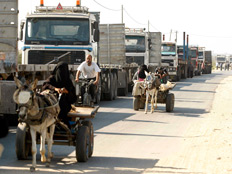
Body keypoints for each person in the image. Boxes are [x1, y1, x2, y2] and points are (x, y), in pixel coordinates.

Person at [42, 61, 77, 128]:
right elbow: (45, 85)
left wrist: (67, 92)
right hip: (51, 105)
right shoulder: (52, 78)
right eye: (60, 70)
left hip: (64, 106)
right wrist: (55, 89)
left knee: (63, 110)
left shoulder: (68, 82)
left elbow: (73, 98)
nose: (62, 72)